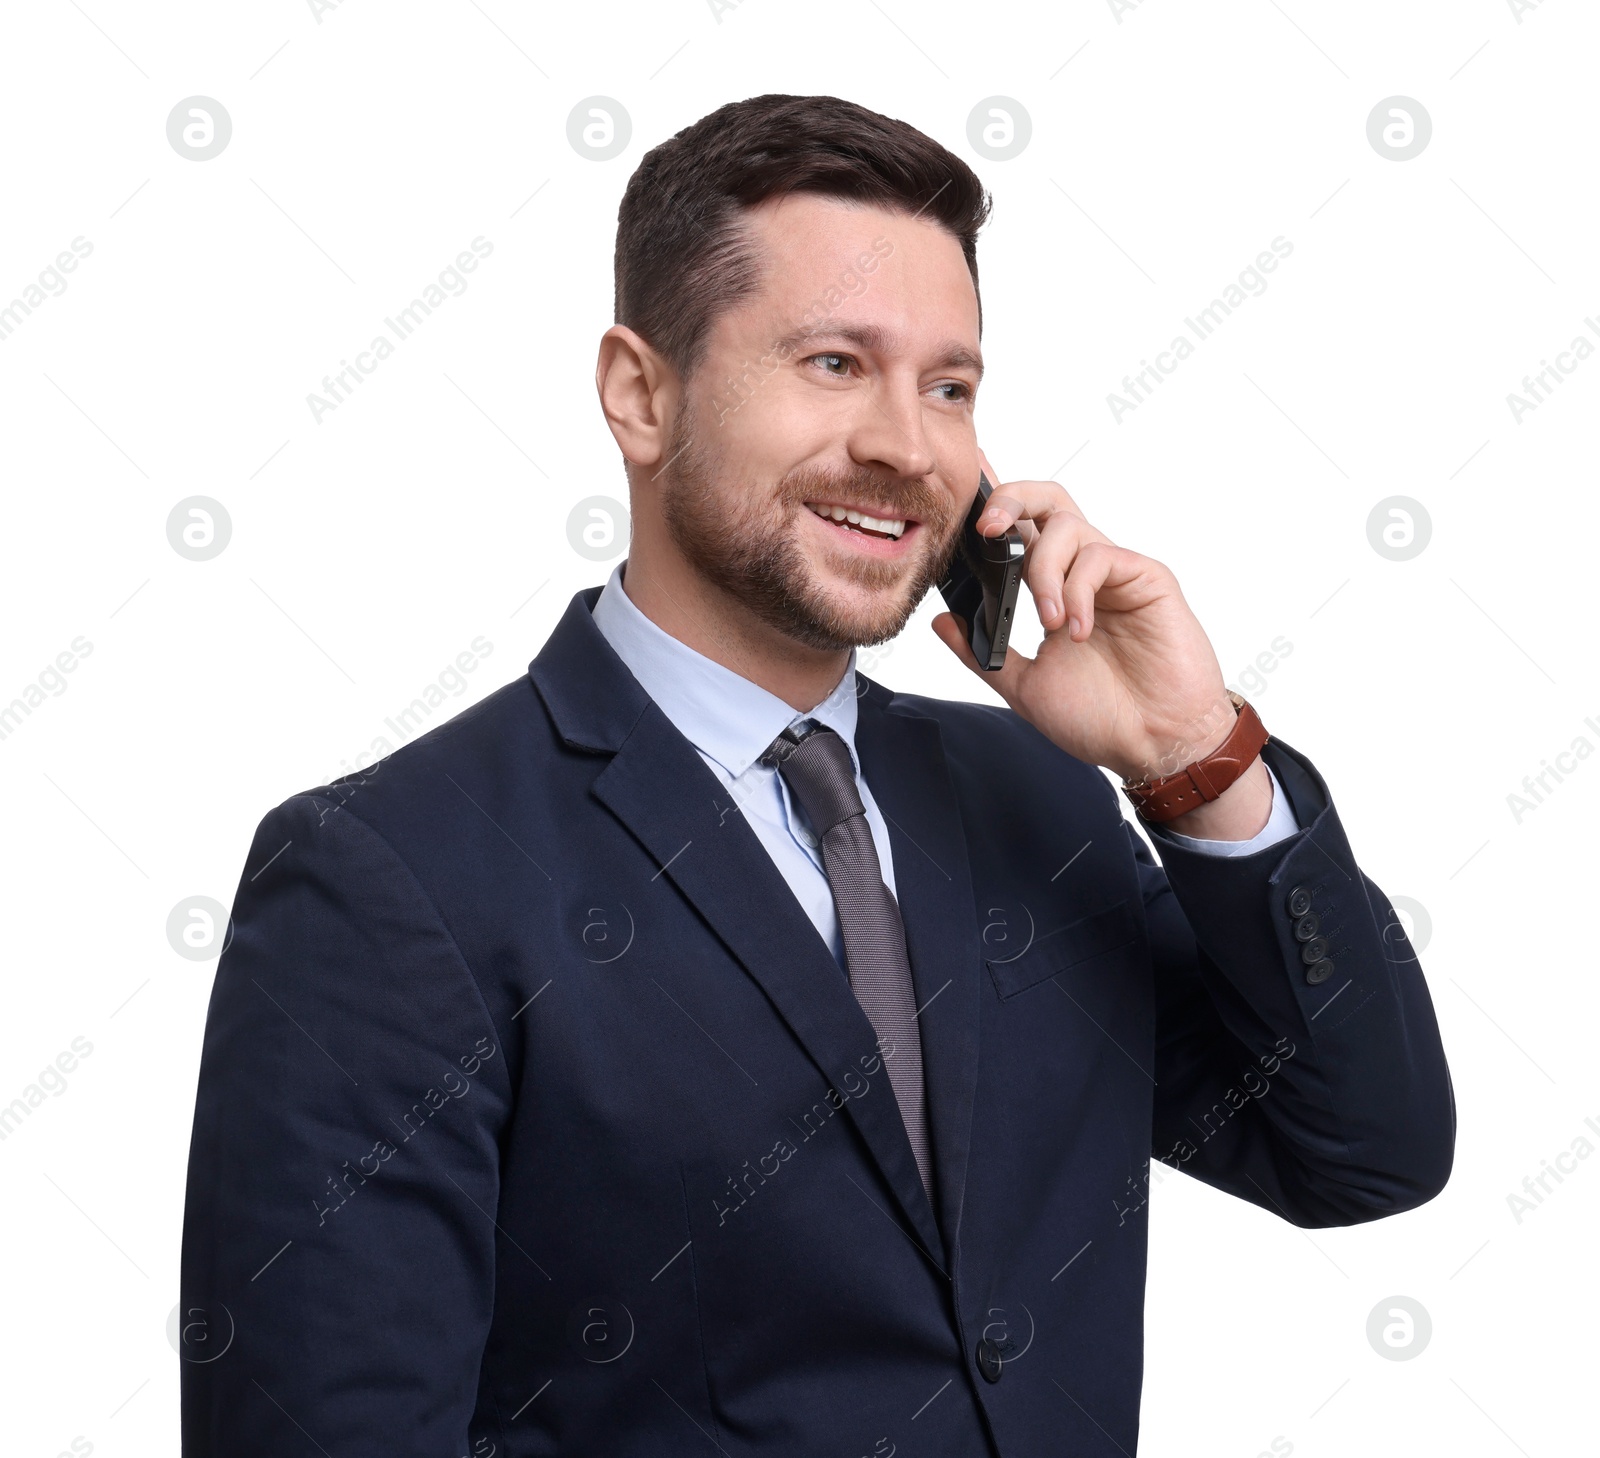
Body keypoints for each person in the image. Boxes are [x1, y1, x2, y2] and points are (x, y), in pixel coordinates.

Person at [179, 93, 1454, 1457]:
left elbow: (1361, 1147)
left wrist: (1197, 762)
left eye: (951, 385)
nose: (910, 444)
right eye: (837, 362)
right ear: (642, 392)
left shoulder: (1033, 797)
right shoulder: (392, 876)